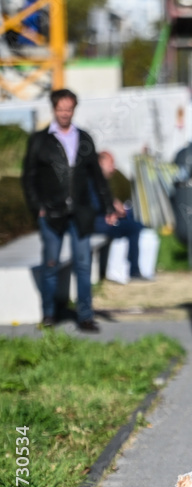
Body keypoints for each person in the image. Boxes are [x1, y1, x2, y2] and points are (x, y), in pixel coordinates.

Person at [22, 88, 114, 332]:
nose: (65, 113)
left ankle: (85, 316)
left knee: (83, 265)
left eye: (69, 109)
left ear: (74, 109)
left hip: (81, 213)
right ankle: (49, 314)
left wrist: (107, 205)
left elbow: (97, 177)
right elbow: (28, 177)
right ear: (54, 109)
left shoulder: (84, 138)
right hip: (51, 213)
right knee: (50, 264)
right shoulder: (40, 140)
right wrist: (38, 207)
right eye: (61, 109)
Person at [92, 151, 146, 280]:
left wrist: (114, 208)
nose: (113, 167)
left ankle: (132, 267)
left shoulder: (109, 179)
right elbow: (93, 205)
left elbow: (126, 193)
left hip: (106, 220)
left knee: (134, 223)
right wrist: (110, 211)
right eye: (110, 164)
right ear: (101, 163)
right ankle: (133, 269)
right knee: (134, 228)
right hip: (98, 223)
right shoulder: (93, 181)